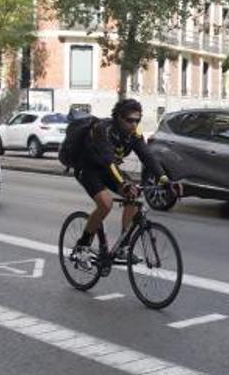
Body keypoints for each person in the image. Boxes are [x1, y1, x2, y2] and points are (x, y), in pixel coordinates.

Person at [72, 99, 168, 265]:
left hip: (110, 170)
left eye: (137, 120)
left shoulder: (133, 135)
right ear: (118, 117)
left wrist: (164, 179)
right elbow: (109, 161)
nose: (134, 124)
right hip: (88, 169)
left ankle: (123, 247)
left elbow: (147, 156)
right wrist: (124, 184)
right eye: (130, 120)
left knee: (134, 196)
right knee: (105, 203)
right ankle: (82, 247)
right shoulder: (103, 130)